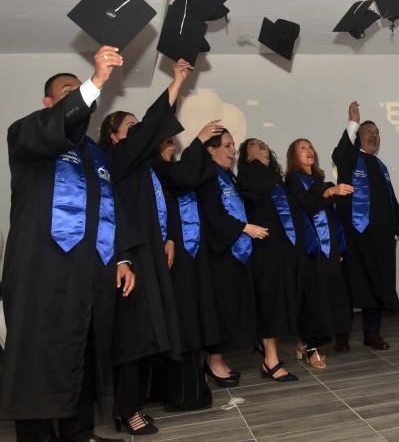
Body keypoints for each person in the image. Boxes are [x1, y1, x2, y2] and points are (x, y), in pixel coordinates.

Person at [0, 46, 129, 442]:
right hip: (44, 267)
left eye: (79, 89)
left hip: (92, 271)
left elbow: (110, 208)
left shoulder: (96, 155)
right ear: (49, 101)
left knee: (86, 350)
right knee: (40, 353)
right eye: (67, 90)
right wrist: (93, 82)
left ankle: (80, 433)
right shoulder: (28, 133)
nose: (76, 94)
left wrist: (122, 258)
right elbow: (55, 125)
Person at [99, 58, 193, 434]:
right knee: (133, 338)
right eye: (132, 128)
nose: (140, 133)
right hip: (130, 257)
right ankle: (125, 411)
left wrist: (168, 238)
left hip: (149, 254)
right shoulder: (116, 160)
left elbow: (161, 206)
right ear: (115, 136)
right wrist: (175, 85)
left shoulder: (143, 168)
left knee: (151, 333)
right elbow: (153, 125)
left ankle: (132, 404)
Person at [147, 120, 224, 411]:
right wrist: (200, 140)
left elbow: (193, 177)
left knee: (192, 314)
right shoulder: (155, 171)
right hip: (171, 255)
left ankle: (183, 388)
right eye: (167, 141)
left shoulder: (171, 170)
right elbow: (182, 178)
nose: (172, 145)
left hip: (191, 254)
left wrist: (201, 149)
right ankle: (183, 393)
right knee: (181, 319)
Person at [197, 130, 274, 381]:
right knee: (220, 308)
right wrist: (244, 228)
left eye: (233, 146)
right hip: (219, 251)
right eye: (227, 146)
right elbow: (212, 214)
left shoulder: (227, 176)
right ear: (211, 149)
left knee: (232, 307)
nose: (232, 151)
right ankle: (213, 361)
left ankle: (219, 359)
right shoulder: (208, 176)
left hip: (235, 250)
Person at [331, 102, 399, 350]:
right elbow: (341, 154)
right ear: (357, 138)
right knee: (349, 286)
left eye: (376, 133)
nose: (373, 136)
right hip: (354, 236)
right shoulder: (348, 160)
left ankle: (372, 333)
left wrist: (397, 226)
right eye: (367, 132)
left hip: (379, 238)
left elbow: (389, 198)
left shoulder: (381, 166)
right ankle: (342, 335)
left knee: (376, 284)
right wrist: (353, 122)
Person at [237, 138, 306, 371]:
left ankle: (269, 351)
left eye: (264, 143)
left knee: (280, 300)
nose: (263, 145)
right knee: (269, 302)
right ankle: (270, 360)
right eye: (255, 144)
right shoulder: (249, 176)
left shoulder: (277, 180)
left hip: (283, 249)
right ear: (246, 156)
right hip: (265, 248)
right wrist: (258, 165)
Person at [286, 138, 353, 356]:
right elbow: (306, 205)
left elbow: (331, 218)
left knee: (329, 298)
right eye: (302, 148)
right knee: (312, 300)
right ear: (293, 157)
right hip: (310, 249)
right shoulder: (292, 181)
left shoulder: (318, 178)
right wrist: (328, 192)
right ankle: (310, 347)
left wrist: (340, 246)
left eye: (310, 146)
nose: (309, 151)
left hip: (329, 248)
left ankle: (305, 344)